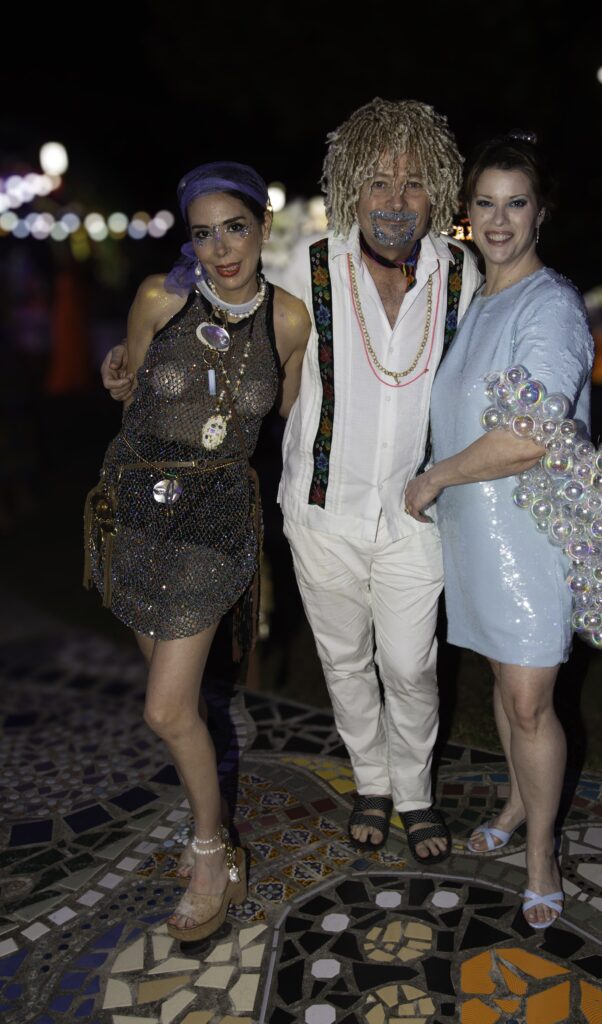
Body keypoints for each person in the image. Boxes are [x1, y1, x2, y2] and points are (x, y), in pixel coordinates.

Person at [103, 99, 482, 864]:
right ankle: (372, 782)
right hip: (317, 507)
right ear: (350, 187)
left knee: (410, 664)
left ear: (436, 189)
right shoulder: (303, 263)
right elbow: (215, 275)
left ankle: (413, 790)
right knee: (342, 660)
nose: (395, 202)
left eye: (413, 185)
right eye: (378, 182)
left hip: (418, 510)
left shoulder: (462, 273)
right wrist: (132, 352)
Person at [87, 161, 309, 941]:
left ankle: (213, 850)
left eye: (235, 228)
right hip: (134, 511)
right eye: (203, 232)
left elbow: (283, 413)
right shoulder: (161, 296)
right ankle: (207, 819)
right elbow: (127, 378)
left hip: (214, 522)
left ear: (263, 228)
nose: (220, 248)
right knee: (178, 706)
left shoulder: (288, 322)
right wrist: (114, 372)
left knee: (166, 707)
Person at [405, 133, 594, 926]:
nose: (498, 218)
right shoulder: (476, 300)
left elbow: (531, 433)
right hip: (476, 533)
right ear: (465, 213)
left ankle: (542, 849)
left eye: (516, 202)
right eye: (484, 202)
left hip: (530, 535)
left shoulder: (549, 305)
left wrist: (435, 476)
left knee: (527, 701)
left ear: (541, 212)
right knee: (503, 683)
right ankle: (517, 804)